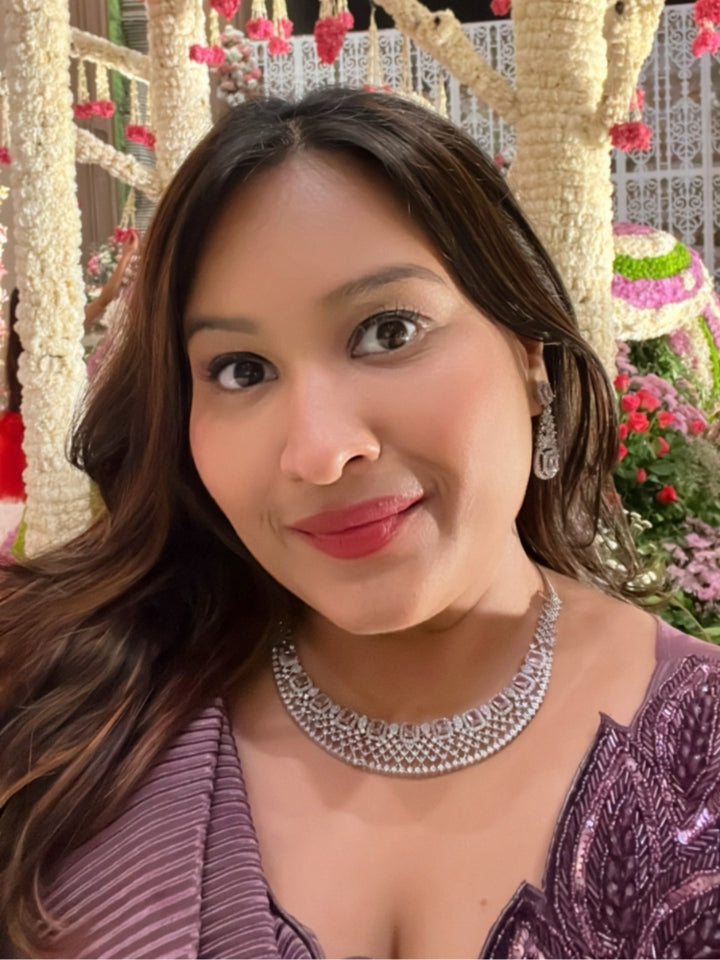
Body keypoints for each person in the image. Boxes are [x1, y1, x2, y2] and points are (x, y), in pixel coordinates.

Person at [1, 88, 719, 960]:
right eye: (239, 369)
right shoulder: (66, 726)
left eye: (388, 330)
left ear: (529, 354)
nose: (317, 451)